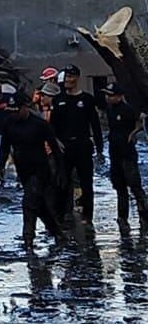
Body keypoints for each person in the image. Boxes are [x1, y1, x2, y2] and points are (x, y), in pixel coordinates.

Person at [0, 94, 65, 251]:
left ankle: (28, 239)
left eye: (16, 110)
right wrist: (1, 166)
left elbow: (55, 148)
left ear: (24, 108)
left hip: (41, 170)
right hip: (23, 170)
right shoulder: (8, 124)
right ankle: (57, 232)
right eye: (10, 111)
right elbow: (5, 147)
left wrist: (60, 171)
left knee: (28, 203)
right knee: (38, 205)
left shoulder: (39, 124)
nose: (13, 114)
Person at [49, 64, 103, 225]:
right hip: (64, 146)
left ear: (77, 78)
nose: (68, 80)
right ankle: (63, 214)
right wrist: (55, 142)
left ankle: (88, 215)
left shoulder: (86, 99)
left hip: (83, 145)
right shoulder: (58, 100)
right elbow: (52, 126)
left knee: (86, 182)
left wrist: (99, 148)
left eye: (71, 77)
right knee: (62, 182)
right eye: (66, 77)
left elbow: (95, 124)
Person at [101, 83, 148, 234]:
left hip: (127, 153)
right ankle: (122, 218)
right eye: (107, 95)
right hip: (114, 152)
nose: (108, 98)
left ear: (119, 96)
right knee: (120, 188)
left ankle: (144, 215)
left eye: (111, 95)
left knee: (135, 186)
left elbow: (142, 119)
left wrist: (133, 133)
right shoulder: (109, 109)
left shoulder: (127, 109)